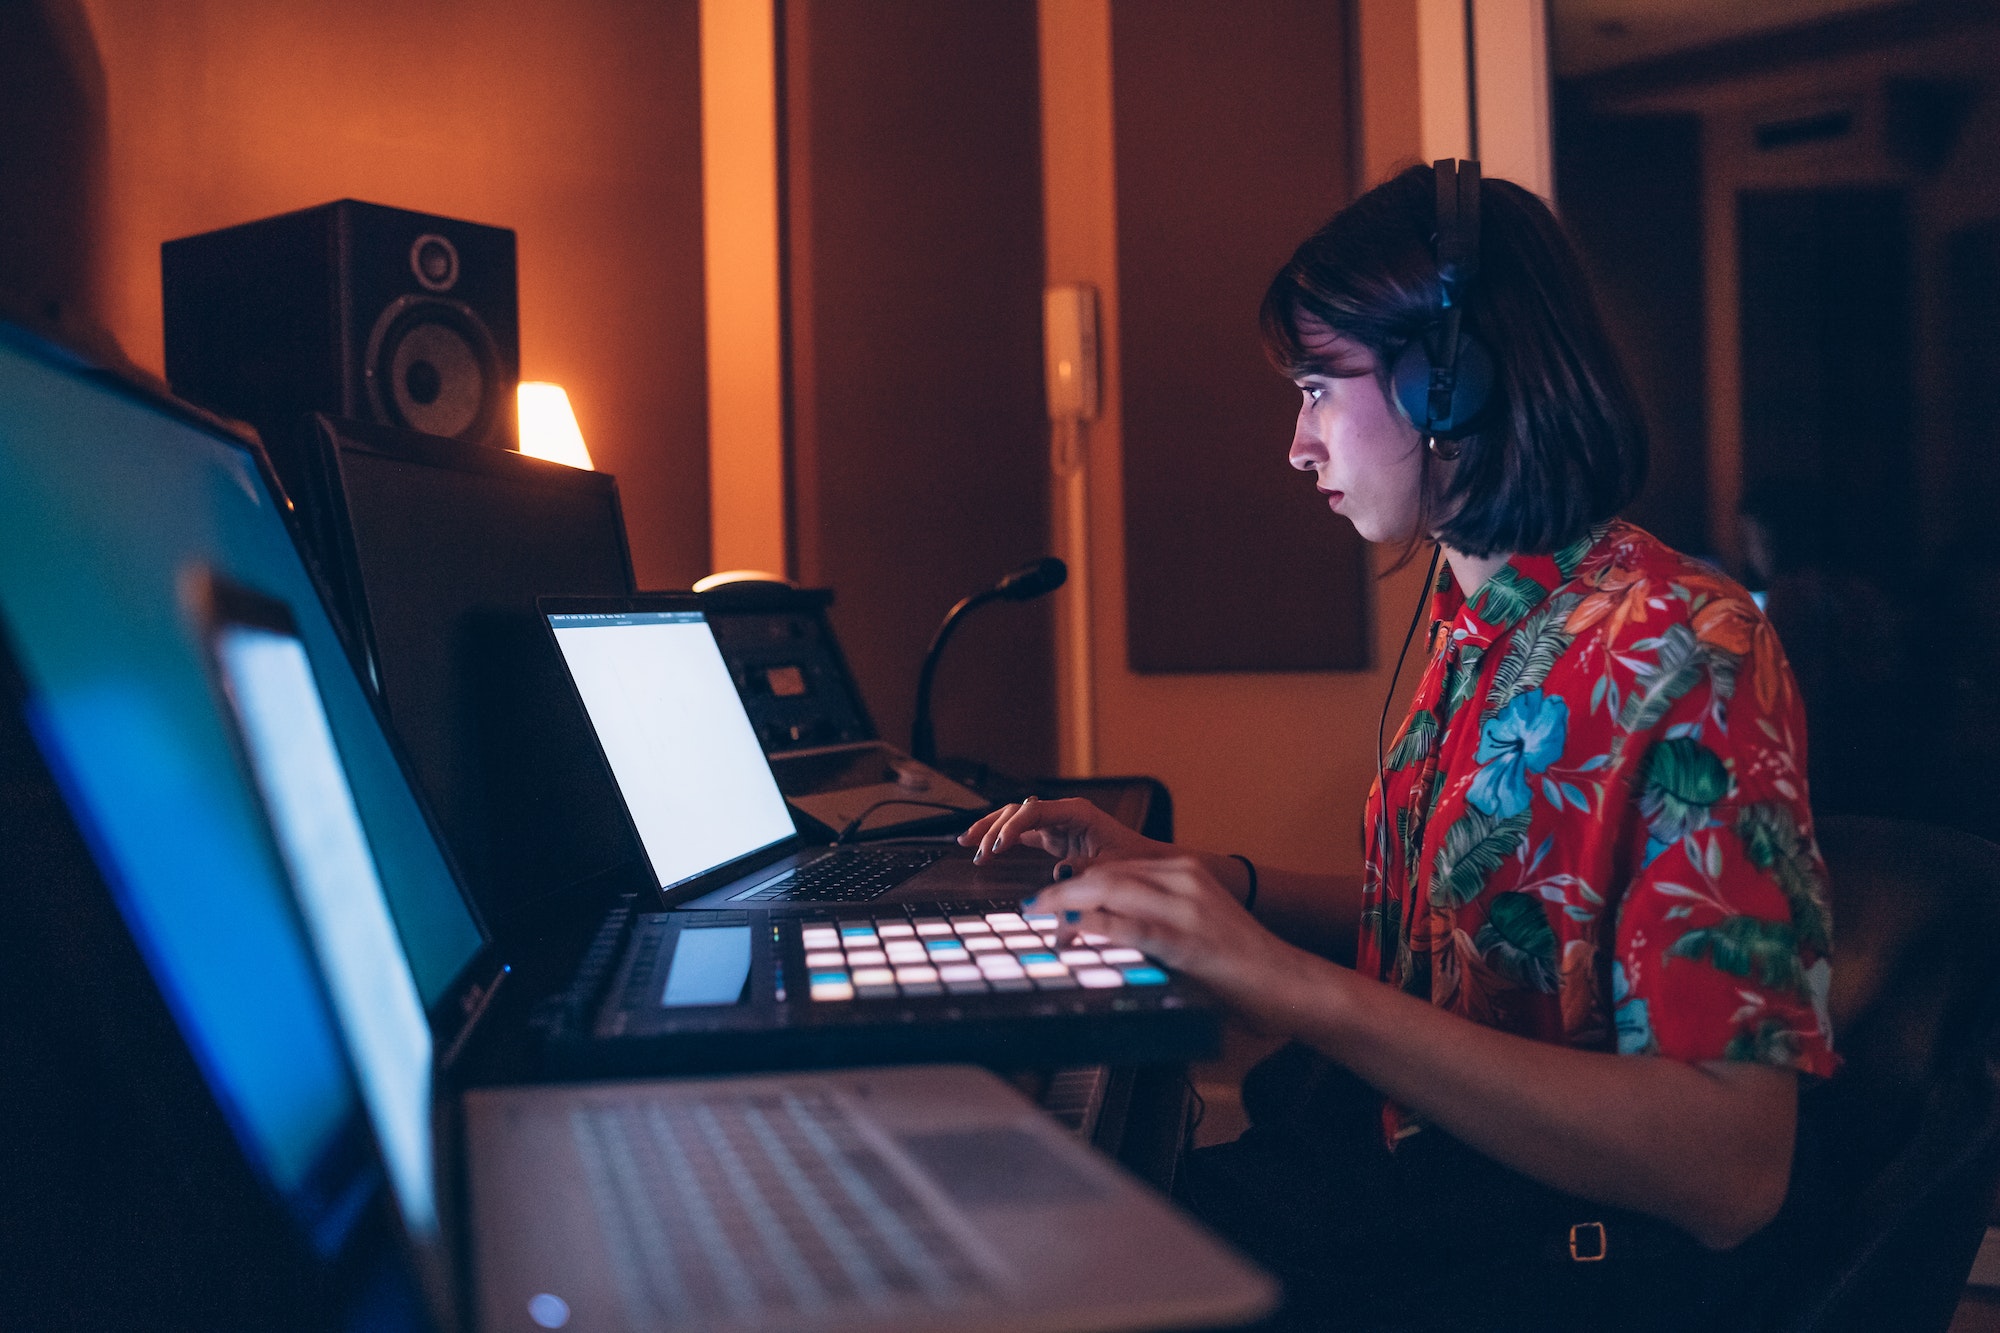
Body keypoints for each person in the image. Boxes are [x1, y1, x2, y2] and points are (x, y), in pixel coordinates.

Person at [959, 163, 1835, 1331]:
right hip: (1400, 1189)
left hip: (1535, 1261)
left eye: (1319, 388)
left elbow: (1731, 1170)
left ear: (1449, 385)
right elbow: (1457, 940)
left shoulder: (1686, 649)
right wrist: (1221, 886)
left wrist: (1285, 983)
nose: (1296, 444)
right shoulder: (1478, 620)